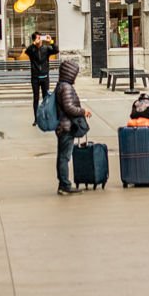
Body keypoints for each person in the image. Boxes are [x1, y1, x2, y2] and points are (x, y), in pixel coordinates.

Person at [52, 58, 91, 195]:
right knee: (64, 157)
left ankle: (63, 183)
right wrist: (82, 111)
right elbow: (69, 107)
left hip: (62, 126)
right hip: (66, 127)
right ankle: (65, 185)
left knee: (62, 156)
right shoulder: (66, 87)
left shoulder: (60, 85)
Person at [24, 31, 59, 126]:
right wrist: (33, 44)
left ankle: (45, 117)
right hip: (35, 78)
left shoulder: (46, 49)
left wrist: (51, 41)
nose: (40, 40)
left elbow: (56, 50)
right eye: (38, 38)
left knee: (46, 98)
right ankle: (36, 119)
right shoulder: (32, 50)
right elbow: (26, 51)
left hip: (45, 77)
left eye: (40, 38)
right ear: (34, 39)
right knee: (36, 98)